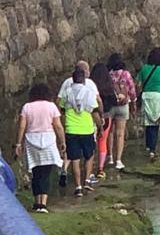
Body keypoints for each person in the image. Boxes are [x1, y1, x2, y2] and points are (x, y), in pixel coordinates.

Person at [15, 83, 66, 213]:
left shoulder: (27, 107)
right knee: (46, 173)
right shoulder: (51, 106)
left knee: (36, 173)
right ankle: (43, 203)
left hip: (32, 140)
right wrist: (62, 141)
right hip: (48, 140)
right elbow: (58, 126)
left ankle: (37, 202)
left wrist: (18, 143)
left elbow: (22, 126)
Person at [58, 67, 101, 198]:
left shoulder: (66, 93)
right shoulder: (89, 93)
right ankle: (87, 180)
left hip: (71, 129)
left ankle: (78, 187)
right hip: (86, 129)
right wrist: (100, 126)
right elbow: (94, 112)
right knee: (89, 155)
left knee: (75, 159)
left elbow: (62, 109)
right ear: (83, 80)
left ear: (73, 79)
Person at [106, 53, 136, 170]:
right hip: (123, 105)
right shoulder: (126, 74)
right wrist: (132, 100)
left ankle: (110, 157)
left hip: (110, 105)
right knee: (120, 133)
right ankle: (119, 160)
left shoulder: (108, 75)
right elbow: (132, 90)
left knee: (110, 132)